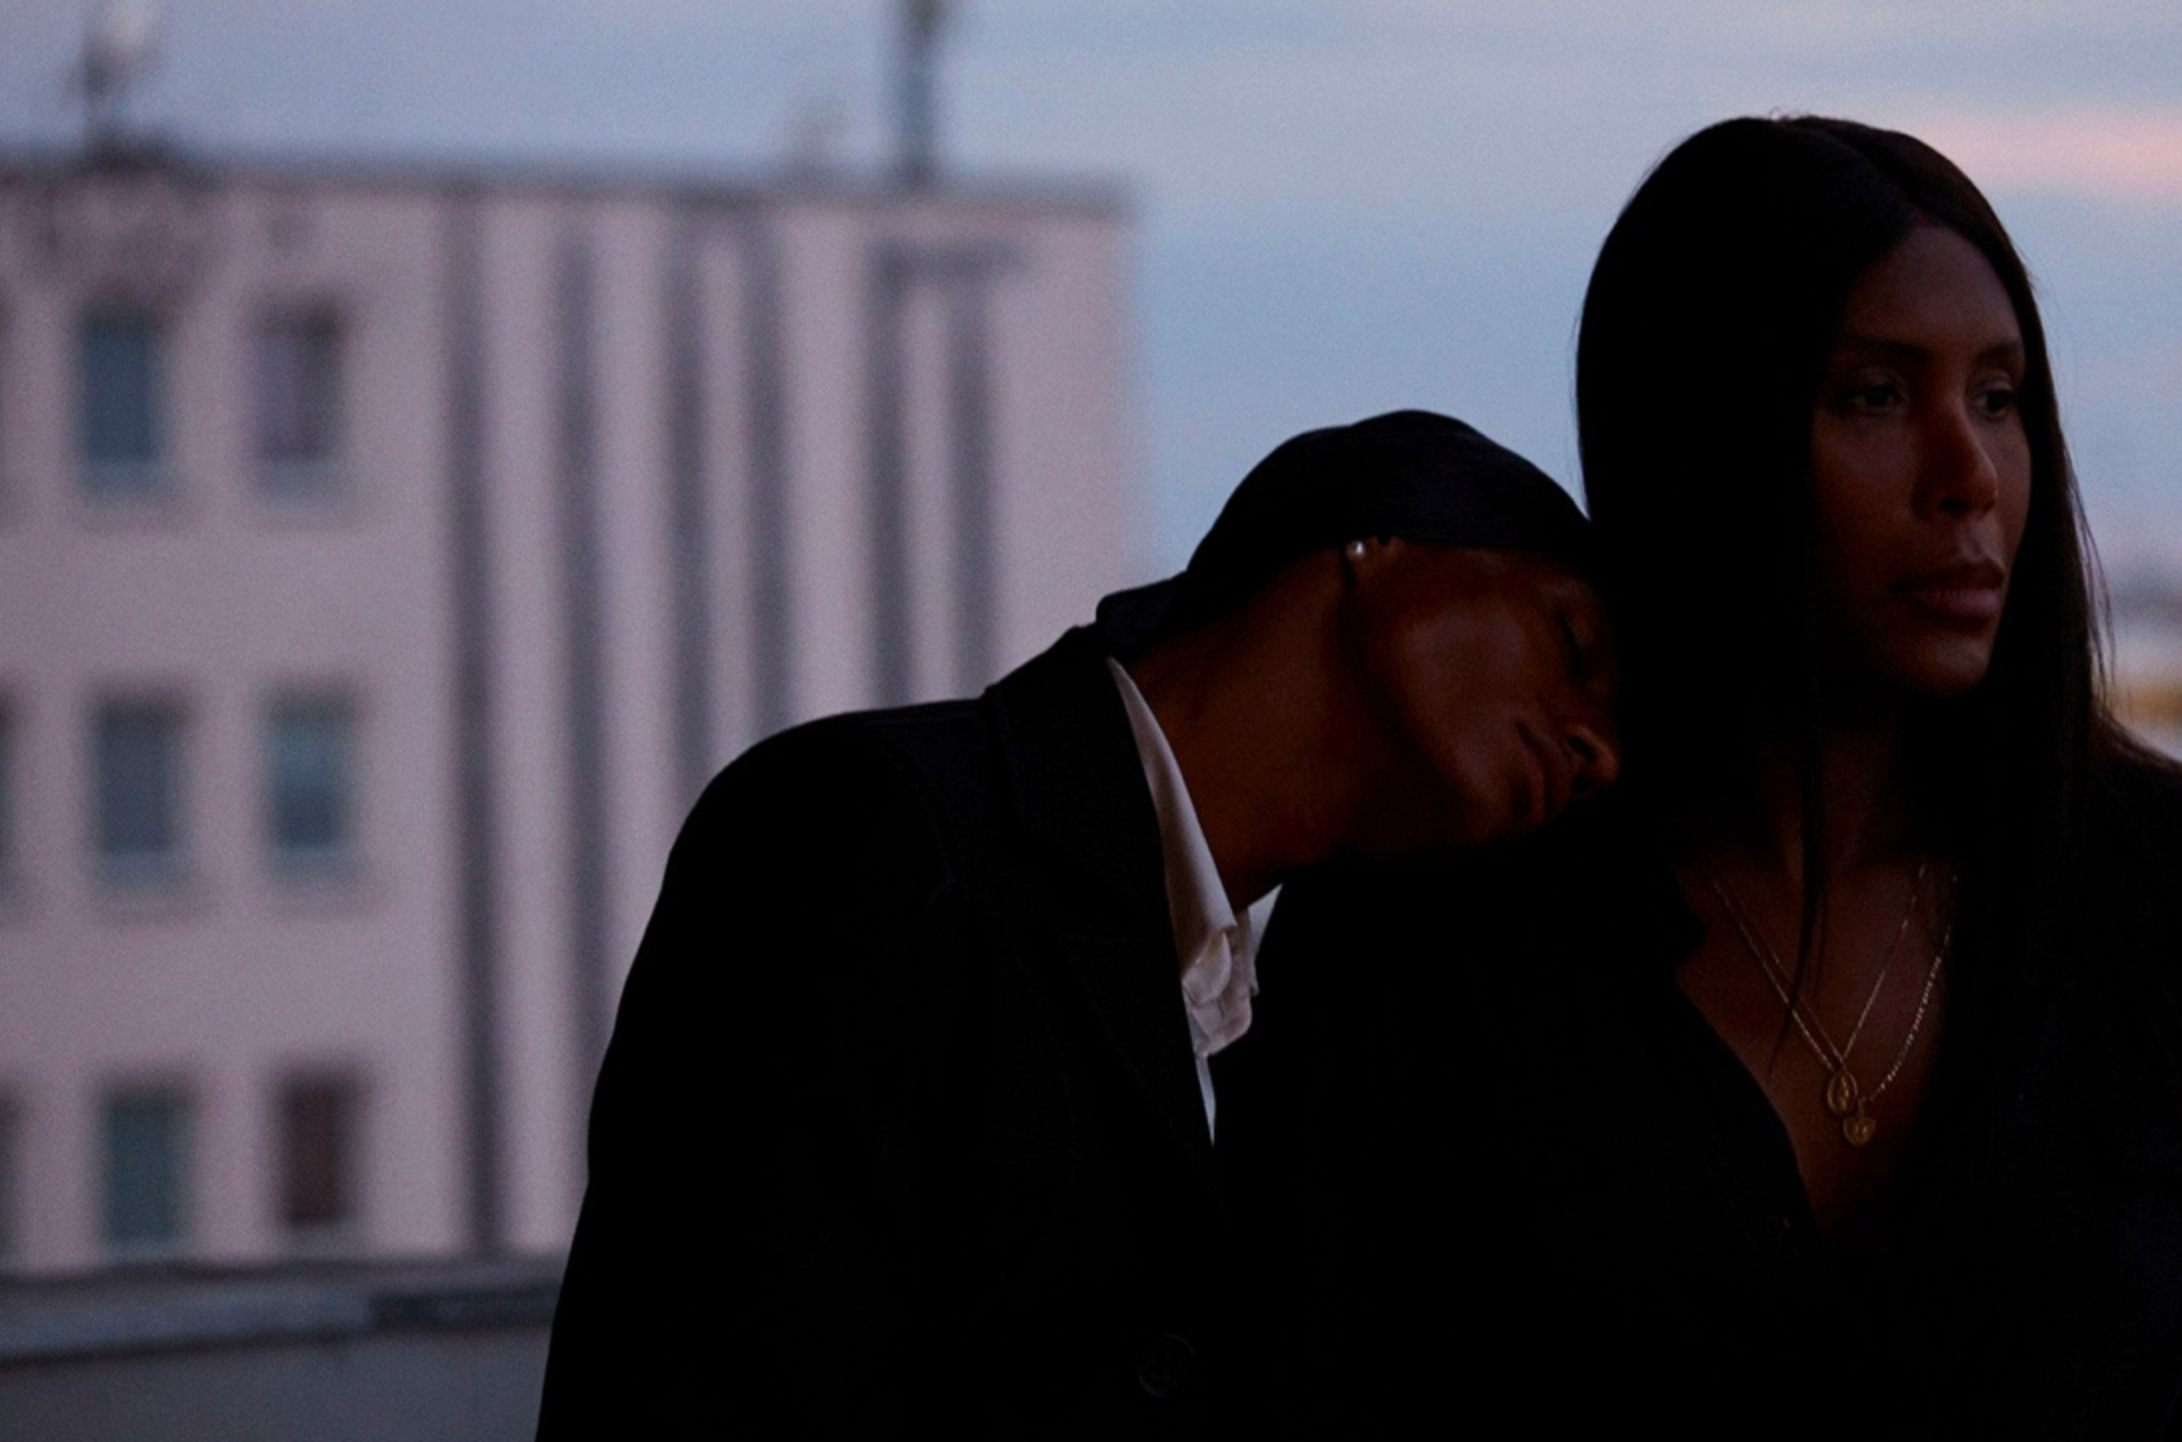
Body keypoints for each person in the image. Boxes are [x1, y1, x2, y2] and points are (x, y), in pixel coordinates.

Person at [1236, 119, 2182, 1436]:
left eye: (1999, 397)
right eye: (1875, 395)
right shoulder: (1423, 929)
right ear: (1700, 434)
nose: (1969, 478)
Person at [533, 409, 1621, 1437]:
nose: (1598, 751)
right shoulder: (868, 825)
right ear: (1374, 539)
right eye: (1571, 642)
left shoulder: (1275, 1025)